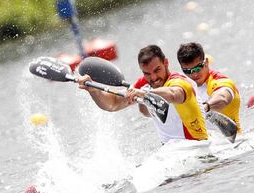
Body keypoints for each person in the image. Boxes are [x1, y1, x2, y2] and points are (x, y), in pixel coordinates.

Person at [78, 45, 208, 144]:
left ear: (166, 63)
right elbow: (112, 104)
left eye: (157, 70)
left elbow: (173, 94)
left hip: (196, 145)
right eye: (147, 73)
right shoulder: (142, 85)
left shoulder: (180, 81)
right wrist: (94, 91)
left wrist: (144, 93)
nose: (154, 78)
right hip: (170, 148)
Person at [177, 42, 241, 132]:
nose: (194, 74)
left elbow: (223, 98)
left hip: (231, 142)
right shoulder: (184, 86)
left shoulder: (221, 81)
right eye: (188, 71)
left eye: (197, 68)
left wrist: (205, 107)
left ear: (206, 62)